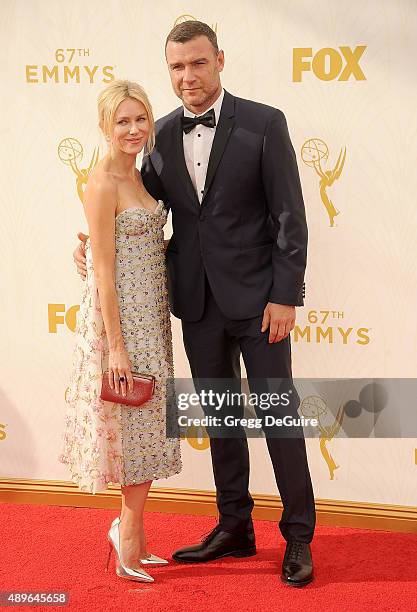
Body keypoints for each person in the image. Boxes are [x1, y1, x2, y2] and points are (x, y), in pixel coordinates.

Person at [74, 21, 315, 587]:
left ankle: (299, 535)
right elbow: (131, 209)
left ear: (219, 60)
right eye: (177, 67)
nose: (188, 76)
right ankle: (235, 526)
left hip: (261, 304)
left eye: (198, 64)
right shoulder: (154, 137)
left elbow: (290, 218)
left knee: (278, 414)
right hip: (197, 305)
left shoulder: (263, 123)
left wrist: (286, 295)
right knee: (222, 419)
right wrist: (86, 241)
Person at [60, 79, 182, 583]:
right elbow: (105, 272)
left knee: (150, 427)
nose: (133, 130)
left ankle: (136, 533)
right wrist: (115, 347)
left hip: (153, 317)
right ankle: (127, 536)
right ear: (104, 127)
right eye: (122, 121)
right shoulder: (102, 181)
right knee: (132, 430)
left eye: (140, 119)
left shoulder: (145, 174)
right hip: (123, 325)